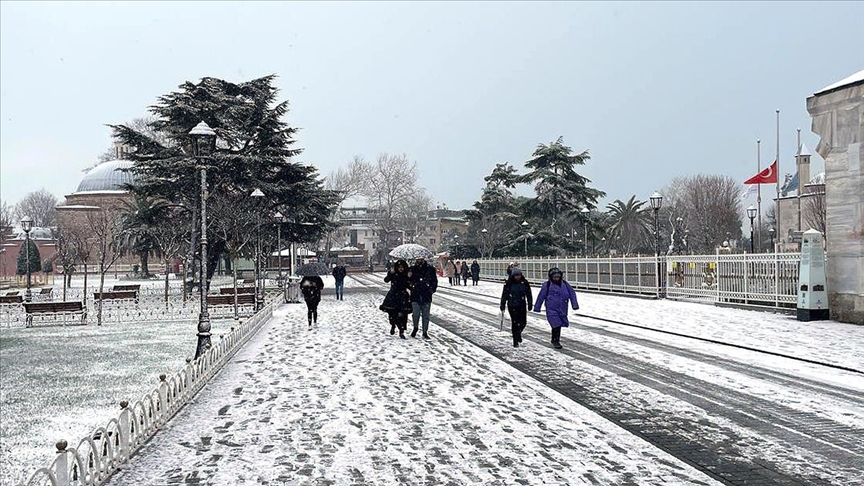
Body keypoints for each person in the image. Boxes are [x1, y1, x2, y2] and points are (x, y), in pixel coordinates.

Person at [532, 267, 578, 349]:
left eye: (558, 277)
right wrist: (537, 307)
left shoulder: (565, 284)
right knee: (555, 324)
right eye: (555, 277)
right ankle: (555, 340)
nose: (556, 279)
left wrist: (574, 305)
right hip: (551, 308)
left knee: (559, 324)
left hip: (562, 308)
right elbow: (541, 296)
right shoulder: (547, 285)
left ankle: (555, 339)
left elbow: (572, 294)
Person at [500, 267, 532, 347]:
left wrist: (530, 303)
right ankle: (515, 339)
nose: (518, 277)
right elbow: (504, 295)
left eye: (519, 275)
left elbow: (528, 293)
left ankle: (518, 333)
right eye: (516, 275)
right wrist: (502, 304)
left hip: (522, 304)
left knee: (523, 322)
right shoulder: (509, 283)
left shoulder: (524, 282)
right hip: (512, 304)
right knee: (515, 322)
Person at [380, 259, 412, 339]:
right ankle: (393, 325)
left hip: (403, 296)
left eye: (402, 267)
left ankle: (401, 331)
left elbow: (409, 286)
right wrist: (390, 273)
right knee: (392, 313)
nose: (401, 269)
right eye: (399, 267)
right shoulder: (393, 273)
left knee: (403, 315)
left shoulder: (406, 275)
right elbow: (386, 280)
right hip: (393, 296)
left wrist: (410, 279)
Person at [409, 256, 438, 339]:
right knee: (416, 314)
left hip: (426, 295)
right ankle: (415, 327)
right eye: (418, 259)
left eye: (421, 259)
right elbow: (408, 281)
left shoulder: (430, 269)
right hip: (415, 295)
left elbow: (434, 281)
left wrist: (431, 289)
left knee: (426, 315)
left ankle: (425, 332)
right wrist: (411, 283)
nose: (419, 261)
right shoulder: (412, 269)